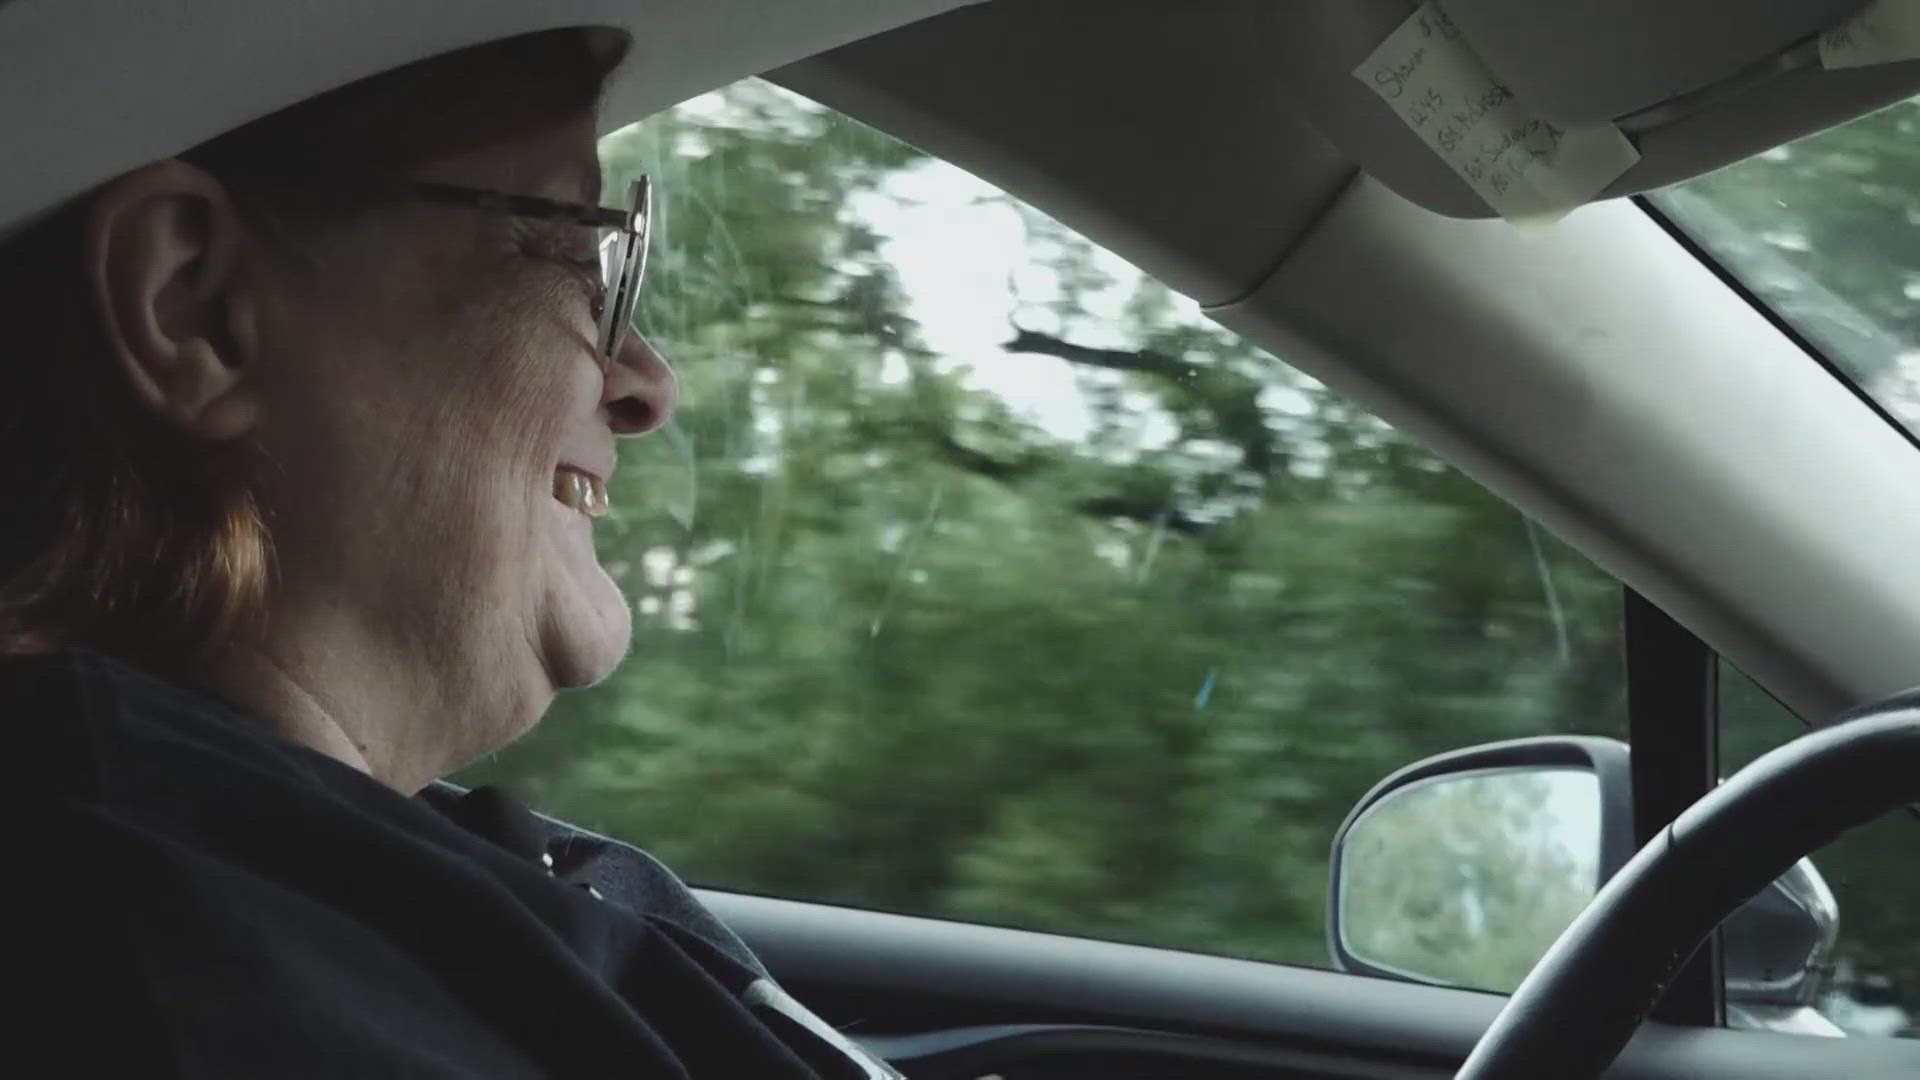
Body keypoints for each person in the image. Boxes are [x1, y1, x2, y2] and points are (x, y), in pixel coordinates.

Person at [0, 26, 899, 1078]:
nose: (649, 383)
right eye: (568, 251)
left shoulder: (326, 875)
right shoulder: (188, 985)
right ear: (195, 310)